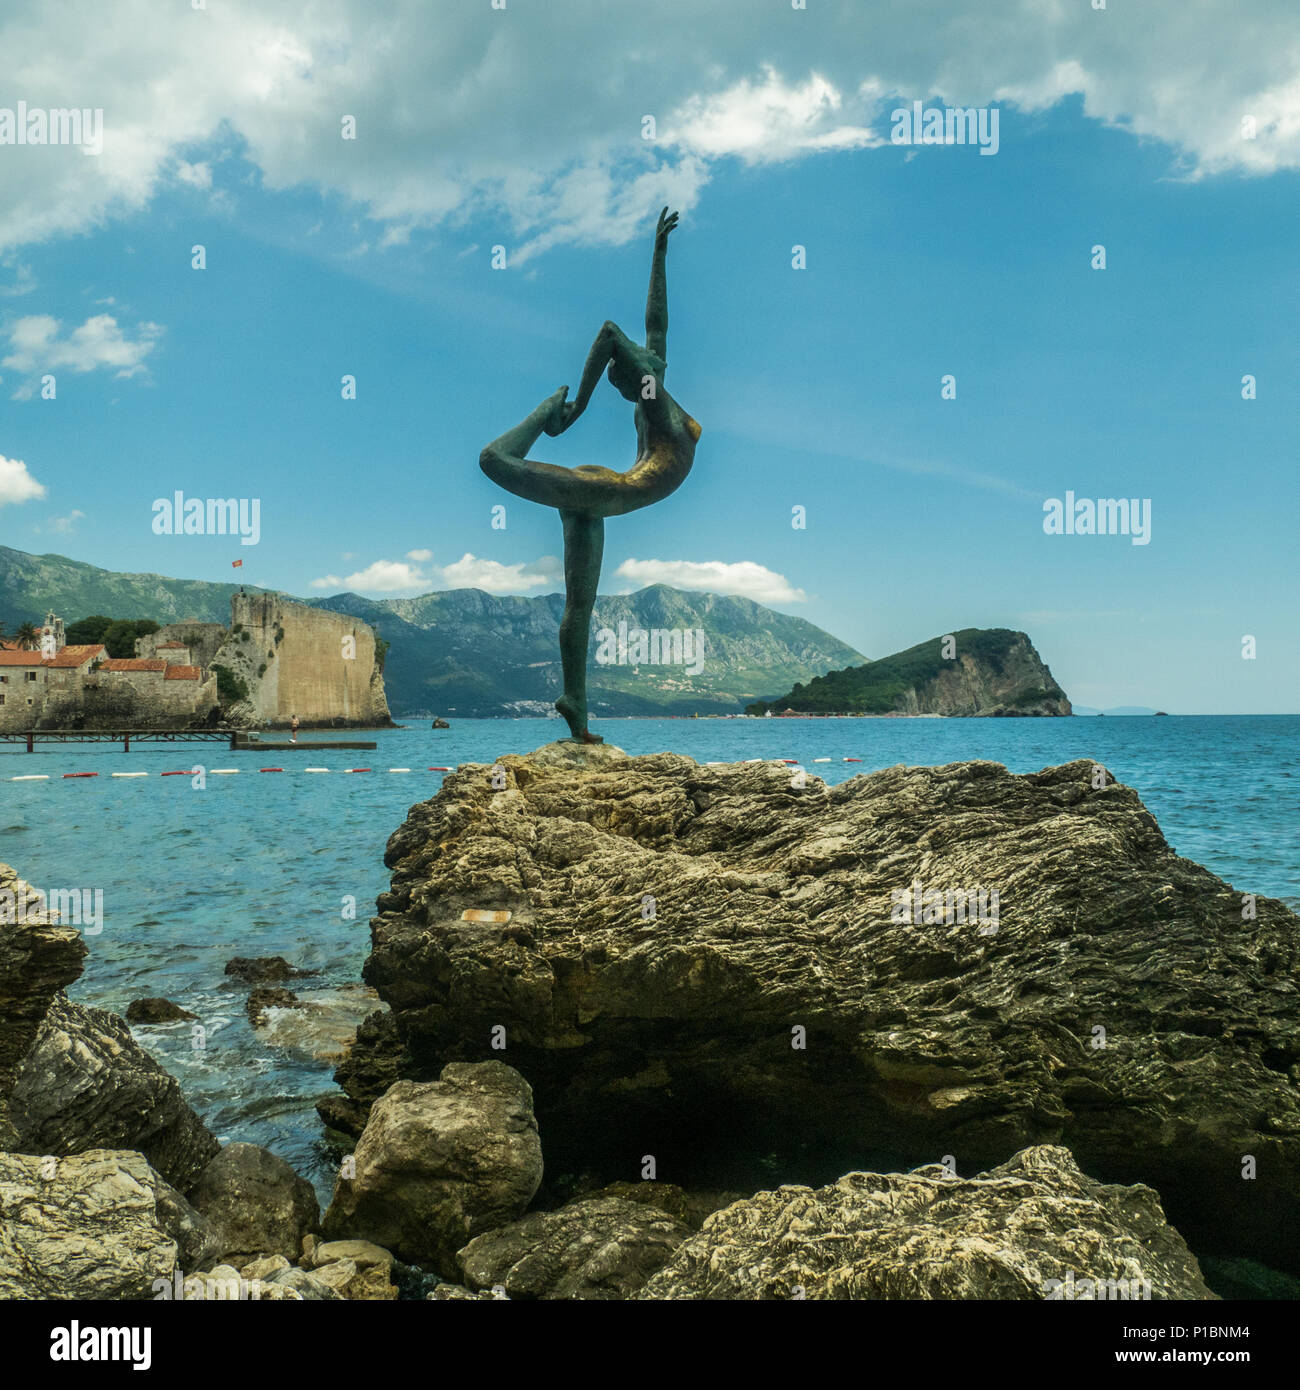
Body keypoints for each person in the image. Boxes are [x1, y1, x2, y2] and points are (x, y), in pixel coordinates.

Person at [479, 208, 701, 743]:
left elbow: (650, 326)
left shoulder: (654, 390)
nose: (649, 369)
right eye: (634, 376)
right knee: (495, 461)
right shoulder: (656, 401)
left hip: (604, 491)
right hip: (607, 489)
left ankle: (575, 703)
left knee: (581, 604)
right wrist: (569, 409)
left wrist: (658, 254)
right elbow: (623, 332)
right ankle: (540, 413)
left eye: (638, 372)